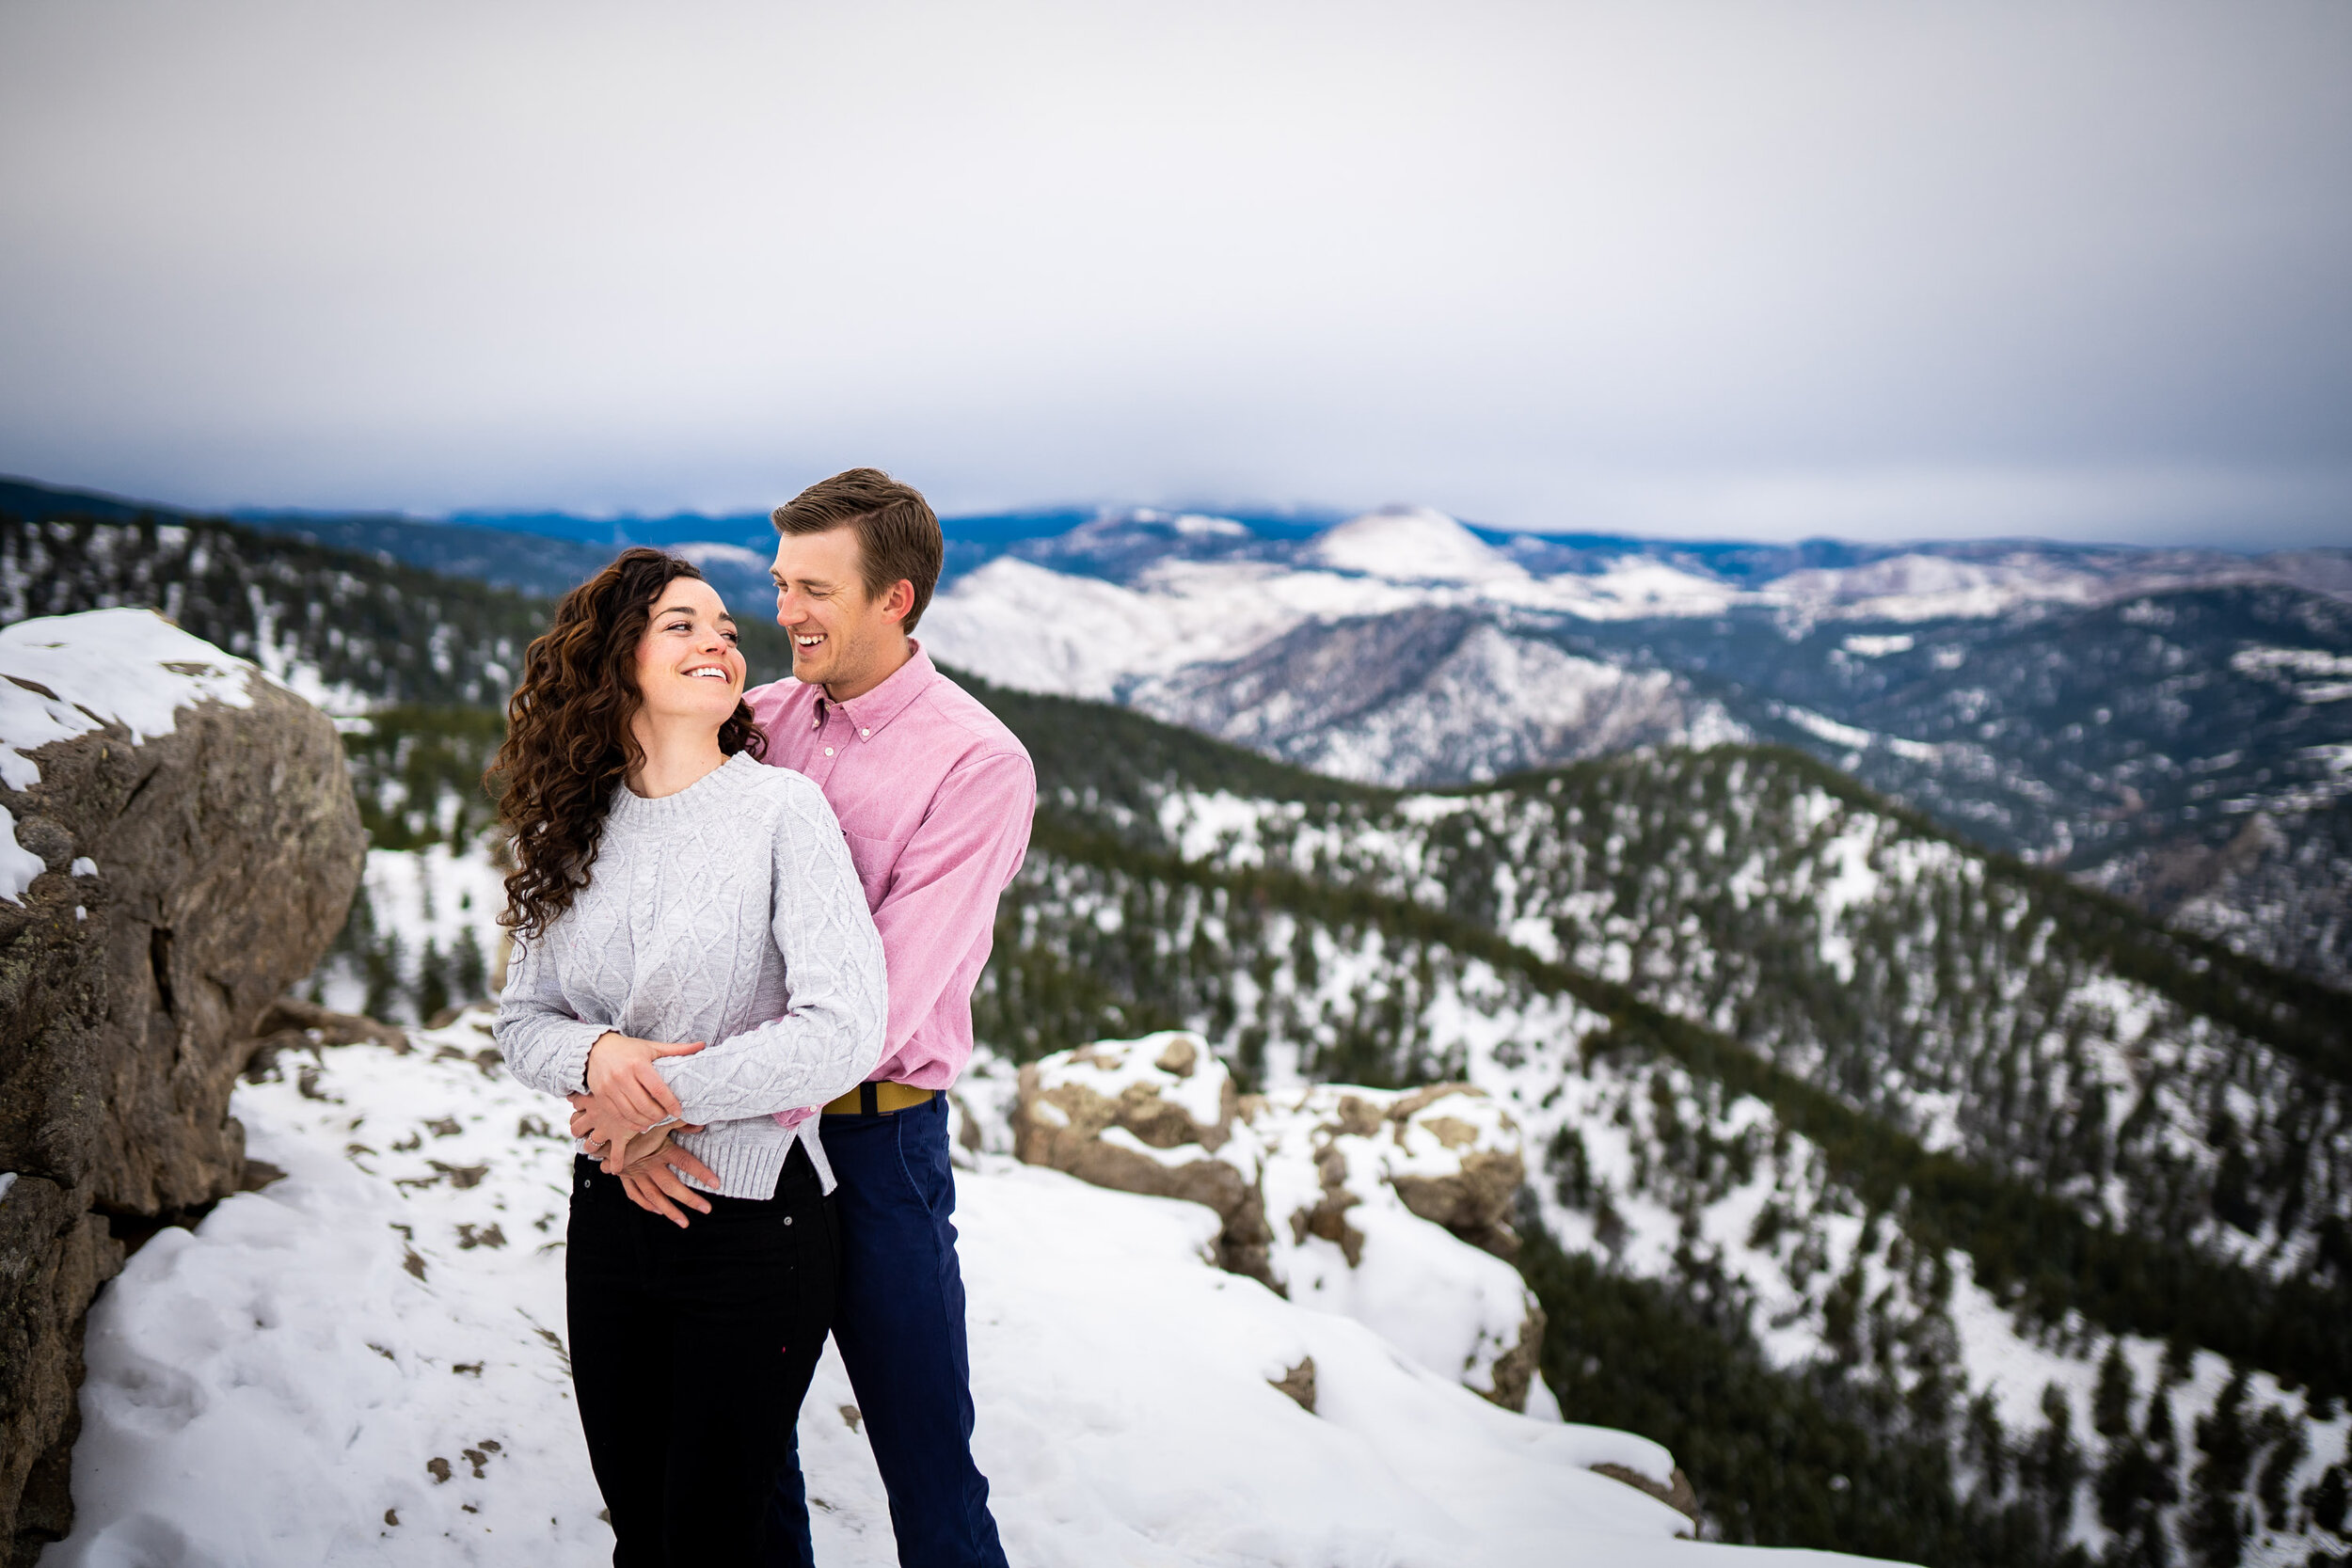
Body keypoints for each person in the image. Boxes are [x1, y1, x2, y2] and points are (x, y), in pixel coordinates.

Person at [600, 469, 1033, 1568]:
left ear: (895, 597)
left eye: (815, 588)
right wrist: (620, 1081)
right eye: (781, 581)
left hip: (874, 1142)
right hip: (736, 1146)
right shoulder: (758, 721)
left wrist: (661, 1102)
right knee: (749, 1464)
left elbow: (872, 1008)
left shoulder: (976, 762)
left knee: (928, 1463)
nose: (784, 610)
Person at [492, 547, 889, 1564]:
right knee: (642, 1532)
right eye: (682, 622)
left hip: (757, 1225)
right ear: (616, 657)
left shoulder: (780, 812)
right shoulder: (566, 824)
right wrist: (605, 1059)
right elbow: (523, 1020)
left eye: (724, 625)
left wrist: (654, 1100)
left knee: (711, 1537)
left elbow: (843, 1027)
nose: (720, 638)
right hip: (611, 1214)